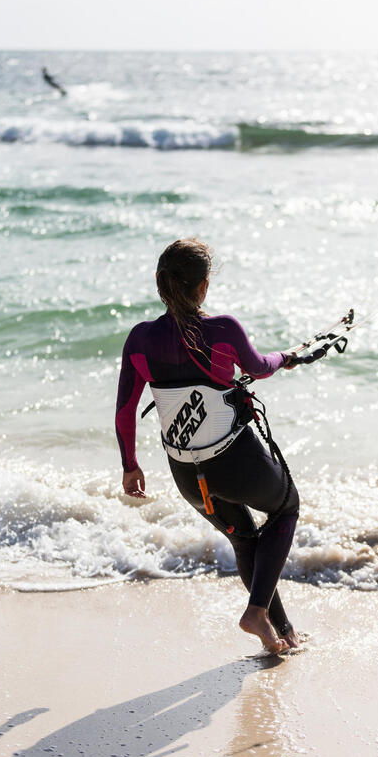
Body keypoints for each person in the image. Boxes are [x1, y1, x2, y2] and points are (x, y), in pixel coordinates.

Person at [115, 238, 300, 654]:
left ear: (161, 284)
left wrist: (130, 465)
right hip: (236, 462)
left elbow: (125, 411)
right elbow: (258, 368)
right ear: (203, 286)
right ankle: (257, 613)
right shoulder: (222, 329)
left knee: (246, 540)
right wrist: (286, 356)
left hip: (187, 474)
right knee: (286, 509)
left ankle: (282, 632)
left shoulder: (140, 339)